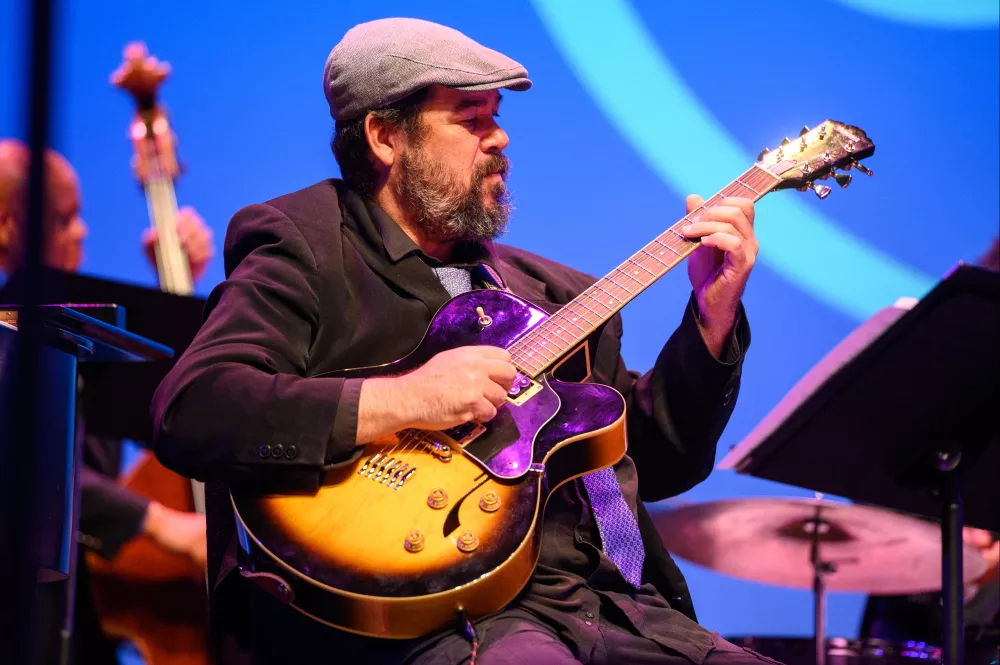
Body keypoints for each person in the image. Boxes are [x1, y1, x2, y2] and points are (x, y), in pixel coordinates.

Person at [151, 18, 775, 665]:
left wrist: (712, 317)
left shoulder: (559, 294)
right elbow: (194, 407)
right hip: (427, 623)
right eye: (471, 119)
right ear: (385, 136)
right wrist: (406, 399)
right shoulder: (306, 245)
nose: (499, 138)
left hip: (608, 611)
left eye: (496, 117)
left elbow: (657, 463)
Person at [0, 138, 215, 664]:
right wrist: (161, 523)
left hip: (77, 615)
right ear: (6, 227)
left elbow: (136, 411)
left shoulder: (60, 334)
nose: (82, 231)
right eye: (63, 219)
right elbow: (28, 468)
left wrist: (173, 287)